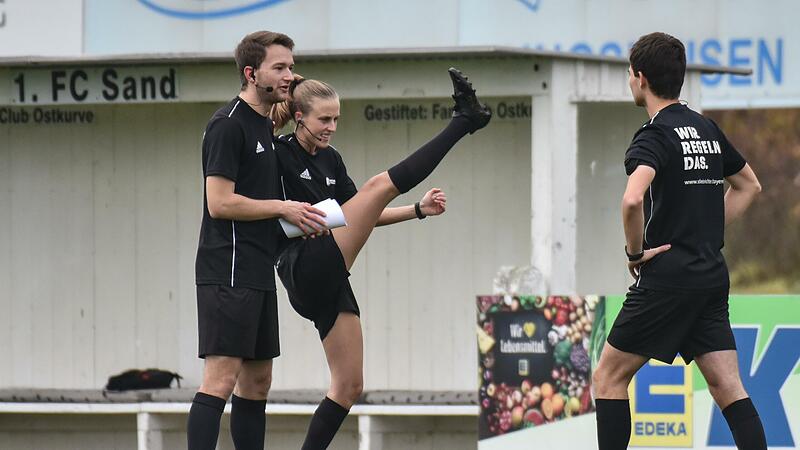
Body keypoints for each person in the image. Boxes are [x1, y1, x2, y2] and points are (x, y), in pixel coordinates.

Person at [269, 68, 491, 449]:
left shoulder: (331, 159)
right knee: (379, 185)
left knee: (349, 385)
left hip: (331, 273)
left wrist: (417, 210)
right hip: (302, 263)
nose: (332, 127)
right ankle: (463, 120)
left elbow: (362, 214)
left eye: (336, 119)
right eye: (324, 119)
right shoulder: (276, 152)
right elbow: (367, 200)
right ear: (299, 116)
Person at [591, 32, 765, 450]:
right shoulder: (705, 128)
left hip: (666, 278)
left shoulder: (653, 135)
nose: (631, 82)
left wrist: (635, 254)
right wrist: (705, 230)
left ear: (641, 78)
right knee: (728, 386)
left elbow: (633, 199)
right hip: (709, 275)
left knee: (608, 378)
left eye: (630, 75)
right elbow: (749, 185)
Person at [188, 30, 328, 450]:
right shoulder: (227, 126)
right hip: (227, 269)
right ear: (250, 73)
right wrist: (282, 207)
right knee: (221, 378)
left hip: (257, 268)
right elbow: (220, 203)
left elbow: (287, 103)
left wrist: (292, 86)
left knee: (258, 382)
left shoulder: (265, 122)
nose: (289, 74)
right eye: (279, 67)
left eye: (291, 65)